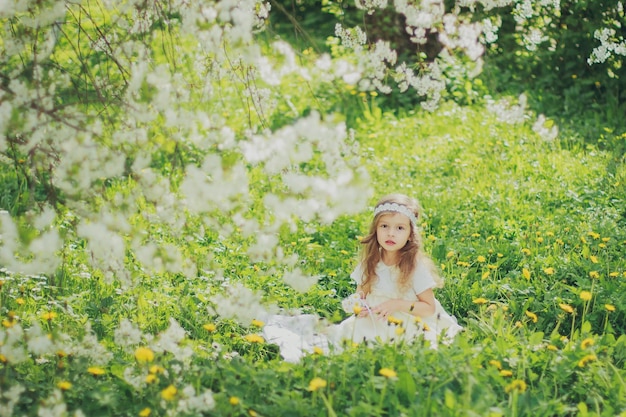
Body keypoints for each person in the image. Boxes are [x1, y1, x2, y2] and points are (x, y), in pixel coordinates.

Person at [262, 193, 462, 362]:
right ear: (376, 229)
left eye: (400, 228)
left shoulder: (413, 267)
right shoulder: (371, 262)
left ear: (410, 234)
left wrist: (397, 304)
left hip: (408, 321)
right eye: (385, 226)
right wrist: (359, 307)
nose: (391, 233)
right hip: (375, 320)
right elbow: (361, 295)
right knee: (348, 342)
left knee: (408, 349)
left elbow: (428, 307)